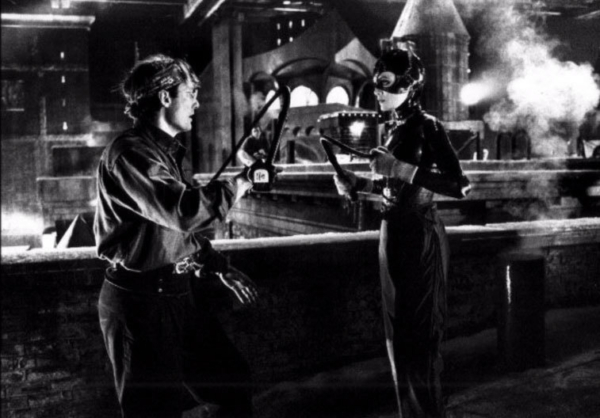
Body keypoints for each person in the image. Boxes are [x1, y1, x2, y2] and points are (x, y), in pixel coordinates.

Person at [94, 54, 258, 418]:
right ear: (166, 96)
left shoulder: (162, 153)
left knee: (232, 383)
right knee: (153, 411)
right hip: (140, 304)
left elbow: (170, 231)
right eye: (191, 92)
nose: (197, 102)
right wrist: (242, 182)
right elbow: (182, 212)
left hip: (178, 295)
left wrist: (216, 265)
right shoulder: (130, 154)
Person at [332, 46, 471, 418]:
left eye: (385, 82)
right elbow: (393, 188)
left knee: (419, 338)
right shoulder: (395, 129)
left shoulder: (428, 126)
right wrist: (359, 184)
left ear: (410, 85)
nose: (377, 90)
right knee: (397, 337)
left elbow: (460, 185)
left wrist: (399, 168)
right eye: (376, 83)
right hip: (392, 232)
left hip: (419, 236)